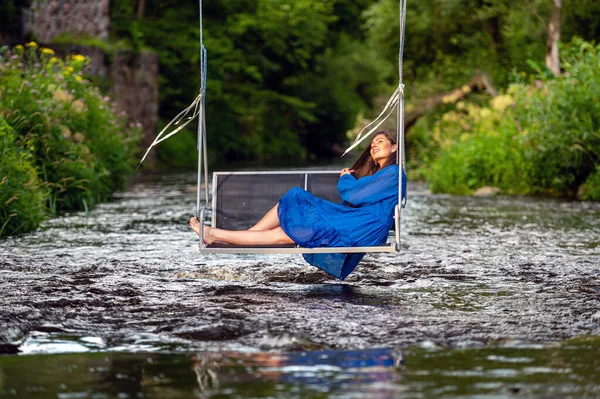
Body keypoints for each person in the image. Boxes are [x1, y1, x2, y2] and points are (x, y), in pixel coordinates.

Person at [189, 131, 405, 279]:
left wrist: (345, 178)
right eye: (372, 143)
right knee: (287, 221)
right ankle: (229, 236)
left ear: (394, 147)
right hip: (354, 222)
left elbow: (354, 195)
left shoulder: (394, 173)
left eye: (380, 141)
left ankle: (222, 235)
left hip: (363, 226)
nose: (374, 145)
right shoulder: (380, 174)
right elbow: (359, 197)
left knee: (295, 203)